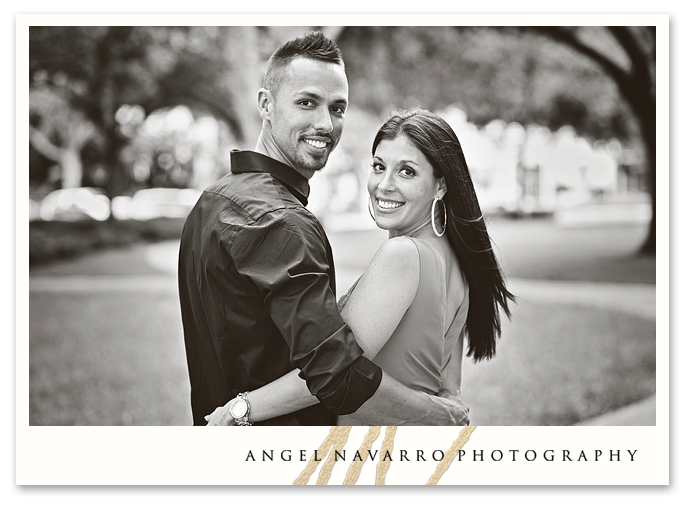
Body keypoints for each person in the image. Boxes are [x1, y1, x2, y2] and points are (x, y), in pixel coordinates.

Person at [179, 31, 470, 426]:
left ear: (441, 184)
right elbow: (337, 374)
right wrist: (439, 415)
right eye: (306, 103)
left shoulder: (213, 200)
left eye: (337, 108)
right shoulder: (280, 222)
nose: (325, 123)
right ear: (266, 103)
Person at [204, 107, 515, 427]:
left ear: (441, 186)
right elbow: (448, 394)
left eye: (407, 171)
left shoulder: (403, 255)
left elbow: (334, 373)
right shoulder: (455, 262)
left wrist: (240, 409)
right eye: (379, 167)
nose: (384, 185)